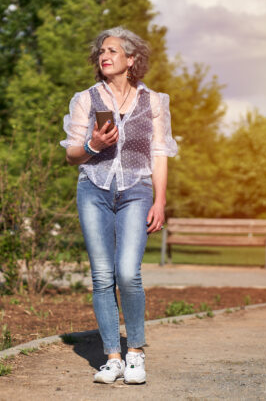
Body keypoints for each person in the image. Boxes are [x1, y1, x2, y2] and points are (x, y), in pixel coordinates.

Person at [60, 26, 177, 384]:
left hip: (136, 190)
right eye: (101, 52)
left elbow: (159, 153)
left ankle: (136, 352)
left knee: (127, 272)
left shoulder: (153, 101)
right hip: (93, 190)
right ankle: (112, 357)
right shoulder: (85, 99)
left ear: (131, 59)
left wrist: (160, 199)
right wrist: (93, 144)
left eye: (112, 50)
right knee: (101, 276)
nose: (104, 56)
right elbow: (71, 156)